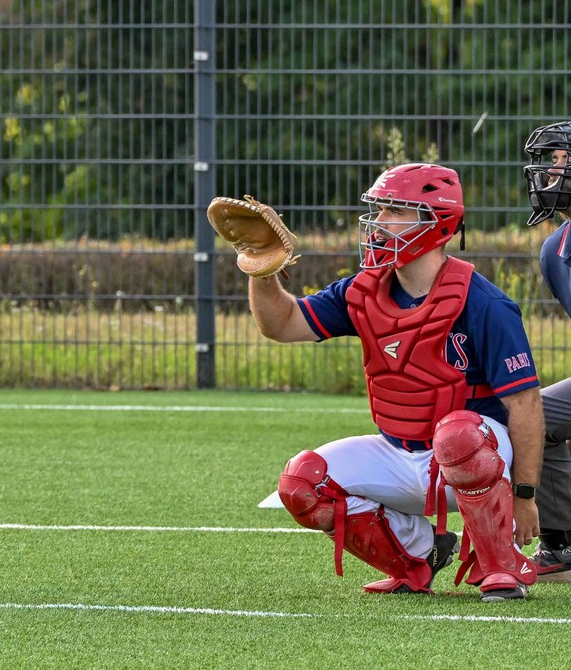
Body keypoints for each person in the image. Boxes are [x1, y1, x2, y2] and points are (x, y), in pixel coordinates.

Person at [212, 164, 543, 600]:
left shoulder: (484, 303)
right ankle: (419, 555)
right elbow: (283, 324)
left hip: (474, 458)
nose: (378, 221)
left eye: (395, 210)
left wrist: (524, 495)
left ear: (435, 222)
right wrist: (262, 271)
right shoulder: (364, 290)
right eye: (379, 208)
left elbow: (525, 405)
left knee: (457, 436)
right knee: (303, 482)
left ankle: (500, 564)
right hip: (401, 451)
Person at [520, 121, 571, 578]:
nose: (550, 171)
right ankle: (563, 545)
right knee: (532, 418)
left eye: (561, 160)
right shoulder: (555, 250)